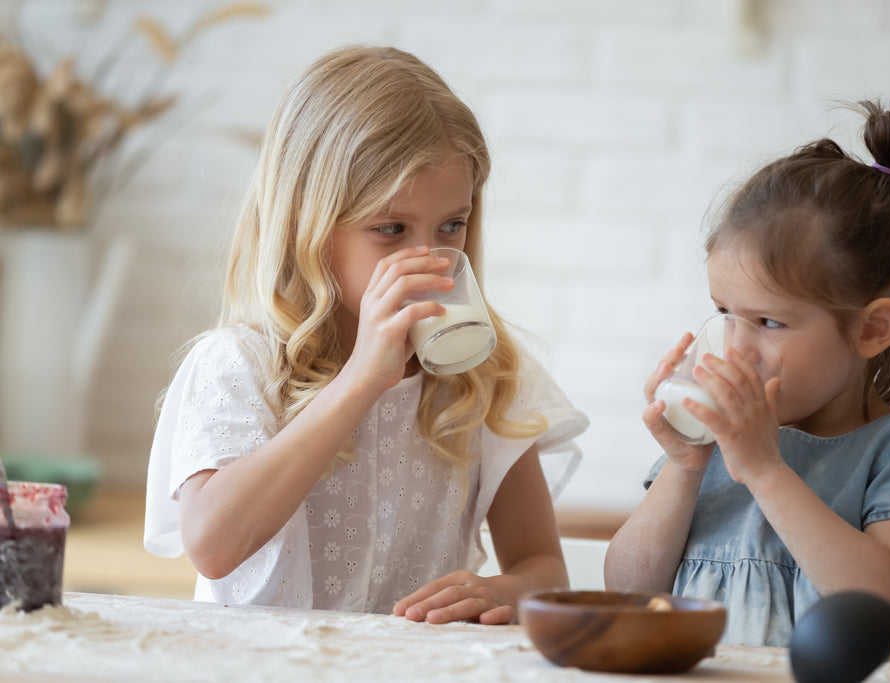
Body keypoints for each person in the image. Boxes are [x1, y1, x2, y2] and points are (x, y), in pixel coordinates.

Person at [144, 45, 587, 625]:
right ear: (310, 222)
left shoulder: (485, 373)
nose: (427, 256)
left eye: (451, 225)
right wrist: (360, 379)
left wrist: (503, 591)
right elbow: (213, 546)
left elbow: (543, 568)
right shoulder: (239, 364)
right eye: (391, 229)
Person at [604, 94, 890, 648]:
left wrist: (764, 470)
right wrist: (683, 467)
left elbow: (887, 604)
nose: (737, 345)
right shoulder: (709, 446)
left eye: (770, 321)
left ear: (871, 329)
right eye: (726, 313)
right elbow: (627, 592)